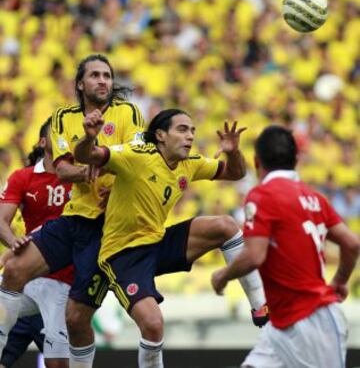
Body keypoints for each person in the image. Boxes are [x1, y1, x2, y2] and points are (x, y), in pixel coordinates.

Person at [74, 108, 267, 368]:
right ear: (161, 135)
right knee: (153, 325)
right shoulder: (136, 157)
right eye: (182, 130)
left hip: (158, 242)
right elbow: (88, 155)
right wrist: (88, 138)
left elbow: (236, 173)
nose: (190, 136)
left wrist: (233, 151)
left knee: (225, 225)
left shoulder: (190, 163)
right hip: (124, 255)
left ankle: (261, 306)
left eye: (192, 131)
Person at [0, 54, 145, 368]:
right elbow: (63, 171)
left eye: (107, 75)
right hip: (74, 221)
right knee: (11, 271)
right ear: (81, 84)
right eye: (94, 75)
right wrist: (91, 152)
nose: (102, 80)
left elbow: (135, 159)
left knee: (77, 319)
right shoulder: (63, 117)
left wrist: (100, 163)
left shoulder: (128, 112)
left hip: (107, 229)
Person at [211, 125, 360, 368]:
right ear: (296, 160)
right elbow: (352, 244)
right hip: (283, 325)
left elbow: (254, 255)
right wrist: (341, 280)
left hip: (309, 320)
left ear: (257, 162)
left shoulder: (262, 195)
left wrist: (223, 275)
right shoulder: (314, 198)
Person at [0, 118, 73, 368]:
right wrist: (12, 242)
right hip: (26, 279)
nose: (66, 136)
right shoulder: (23, 177)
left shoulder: (84, 177)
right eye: (58, 132)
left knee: (57, 364)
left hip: (63, 284)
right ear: (43, 142)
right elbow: (1, 220)